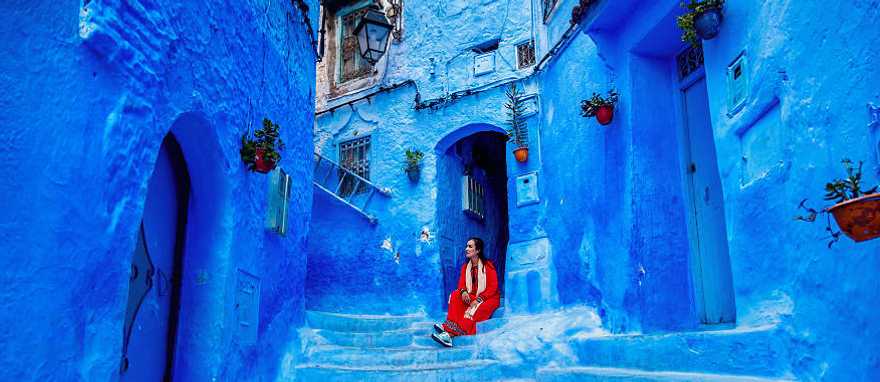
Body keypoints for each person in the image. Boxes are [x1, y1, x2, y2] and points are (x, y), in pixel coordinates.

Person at [431, 237, 500, 347]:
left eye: (470, 246)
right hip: (472, 296)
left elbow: (493, 287)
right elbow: (461, 284)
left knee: (474, 309)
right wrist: (463, 292)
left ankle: (449, 334)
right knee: (455, 295)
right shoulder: (465, 267)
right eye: (466, 246)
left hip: (488, 298)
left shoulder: (487, 266)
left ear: (478, 250)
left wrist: (479, 299)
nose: (466, 249)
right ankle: (449, 326)